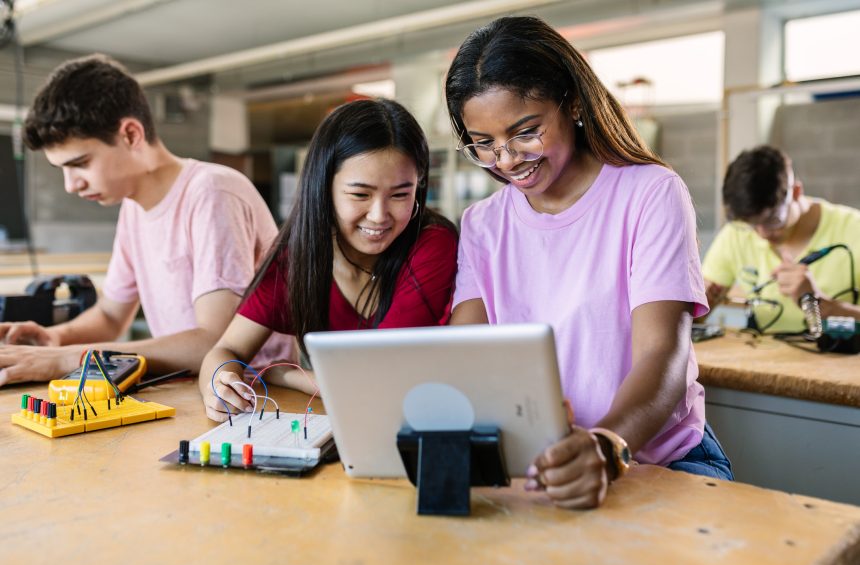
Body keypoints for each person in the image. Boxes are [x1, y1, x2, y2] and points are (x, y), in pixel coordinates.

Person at [445, 16, 732, 510]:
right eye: (484, 143)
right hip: (543, 465)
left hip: (657, 461)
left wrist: (606, 445)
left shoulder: (649, 193)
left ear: (572, 104)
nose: (508, 160)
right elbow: (466, 352)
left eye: (526, 132)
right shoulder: (482, 224)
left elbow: (662, 355)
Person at [0, 54, 291, 386]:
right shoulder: (133, 209)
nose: (71, 184)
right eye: (62, 169)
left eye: (80, 163)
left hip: (258, 398)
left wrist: (68, 357)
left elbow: (215, 343)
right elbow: (111, 316)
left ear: (131, 135)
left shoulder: (212, 192)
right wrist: (56, 338)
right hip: (190, 391)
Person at [198, 99, 458, 422]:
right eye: (360, 195)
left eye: (400, 195)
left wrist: (285, 376)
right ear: (324, 189)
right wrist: (218, 385)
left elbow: (377, 379)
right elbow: (225, 351)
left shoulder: (433, 245)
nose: (379, 216)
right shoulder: (298, 259)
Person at [702, 145, 860, 332]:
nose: (762, 233)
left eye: (772, 221)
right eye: (751, 225)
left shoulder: (853, 229)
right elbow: (695, 315)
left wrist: (816, 302)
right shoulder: (736, 234)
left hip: (838, 358)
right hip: (763, 357)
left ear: (796, 192)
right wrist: (700, 305)